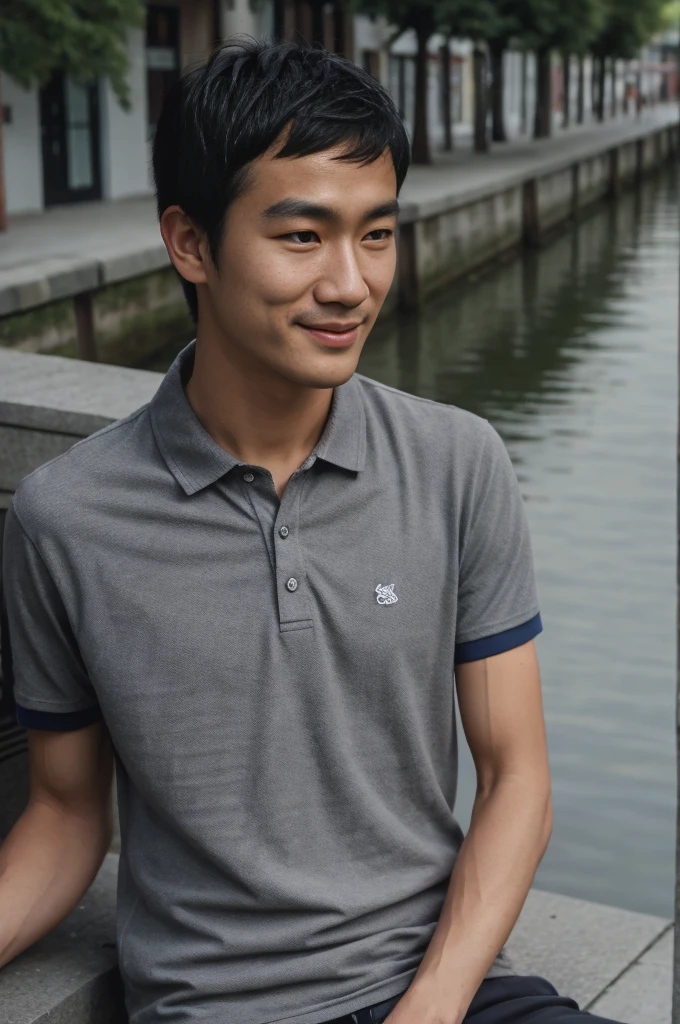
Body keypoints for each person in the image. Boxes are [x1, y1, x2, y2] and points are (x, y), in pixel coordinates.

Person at [0, 38, 626, 1024]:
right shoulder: (64, 520)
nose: (351, 283)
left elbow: (515, 776)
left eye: (374, 234)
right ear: (190, 242)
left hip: (448, 993)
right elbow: (66, 812)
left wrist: (430, 1004)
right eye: (301, 237)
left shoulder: (455, 461)